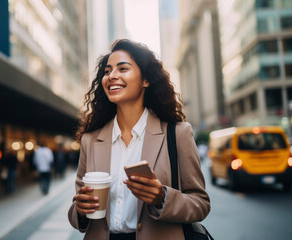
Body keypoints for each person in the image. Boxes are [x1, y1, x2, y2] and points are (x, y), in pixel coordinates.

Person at [68, 39, 210, 240]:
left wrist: (162, 198)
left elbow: (201, 203)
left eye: (123, 69)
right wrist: (80, 211)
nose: (112, 76)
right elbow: (77, 214)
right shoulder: (90, 140)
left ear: (146, 80)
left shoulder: (177, 133)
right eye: (107, 72)